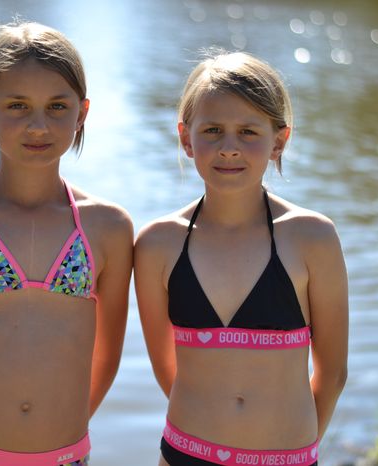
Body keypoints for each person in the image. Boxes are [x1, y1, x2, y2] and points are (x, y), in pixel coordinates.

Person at [0, 21, 133, 466]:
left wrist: (60, 430)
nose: (38, 125)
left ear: (82, 113)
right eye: (17, 105)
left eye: (57, 106)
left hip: (65, 456)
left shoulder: (108, 227)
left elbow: (107, 354)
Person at [134, 51, 348, 466]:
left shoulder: (312, 238)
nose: (229, 148)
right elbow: (165, 368)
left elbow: (333, 373)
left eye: (248, 131)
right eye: (212, 130)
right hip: (185, 455)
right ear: (186, 138)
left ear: (278, 141)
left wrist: (295, 449)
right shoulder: (157, 244)